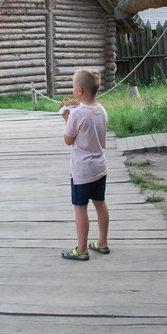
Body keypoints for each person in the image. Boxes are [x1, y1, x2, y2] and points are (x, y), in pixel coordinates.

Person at [60, 69, 110, 261]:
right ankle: (102, 242)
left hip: (82, 169)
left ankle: (81, 249)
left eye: (73, 85)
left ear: (79, 90)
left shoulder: (76, 114)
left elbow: (68, 139)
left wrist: (67, 119)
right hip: (100, 166)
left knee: (80, 207)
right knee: (100, 203)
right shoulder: (102, 110)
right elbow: (102, 140)